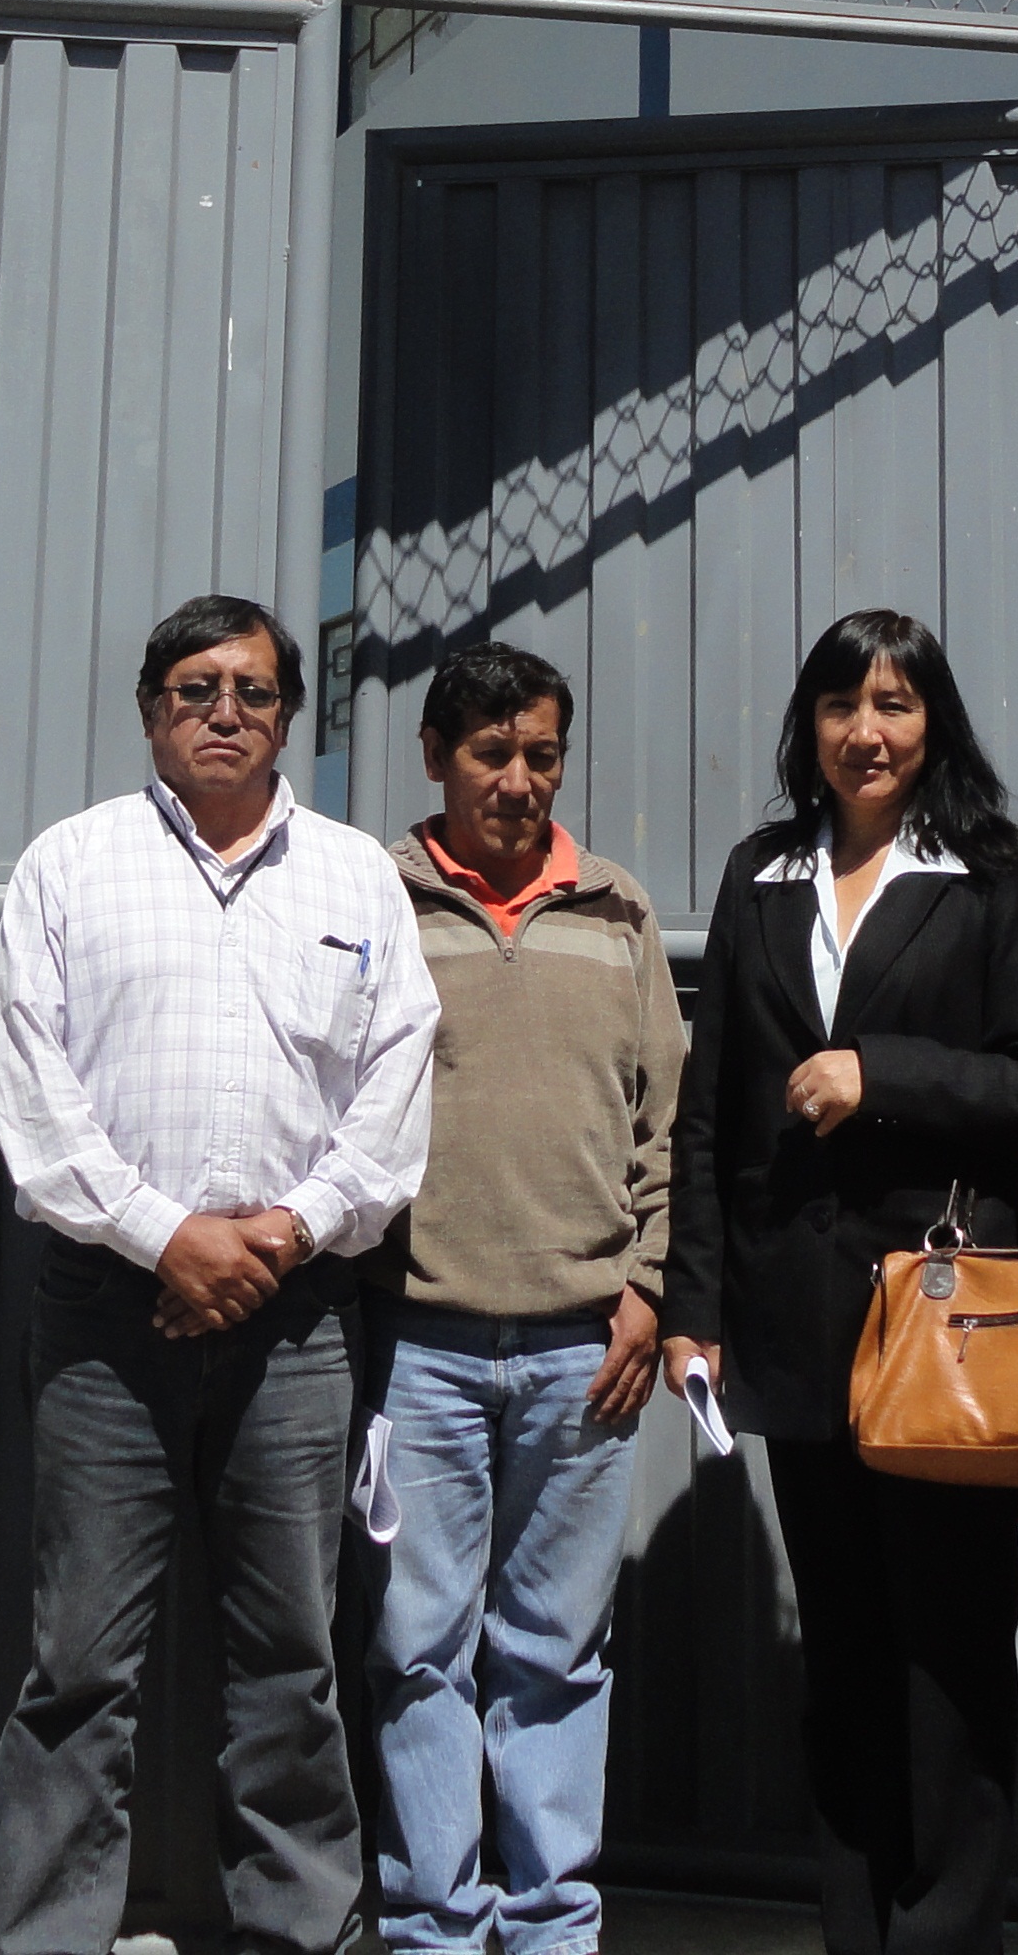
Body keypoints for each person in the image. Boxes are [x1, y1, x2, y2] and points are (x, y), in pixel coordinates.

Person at [0, 595, 441, 1955]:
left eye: (250, 688)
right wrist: (164, 1239)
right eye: (195, 688)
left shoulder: (357, 879)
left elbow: (394, 1094)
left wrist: (285, 1235)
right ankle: (47, 1938)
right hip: (104, 1318)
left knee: (293, 1662)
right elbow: (34, 1096)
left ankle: (297, 1935)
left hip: (297, 1322)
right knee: (77, 1667)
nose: (223, 710)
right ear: (150, 711)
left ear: (290, 714)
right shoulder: (69, 867)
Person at [658, 608, 1018, 1955]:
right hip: (793, 1326)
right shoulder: (762, 871)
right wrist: (695, 1310)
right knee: (841, 1658)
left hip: (948, 1324)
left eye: (895, 704)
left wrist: (878, 1073)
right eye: (843, 705)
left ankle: (945, 1935)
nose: (868, 731)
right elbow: (712, 1113)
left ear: (933, 720)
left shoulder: (996, 873)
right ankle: (855, 1932)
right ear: (812, 728)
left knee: (947, 1656)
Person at [364, 640, 683, 1955]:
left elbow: (667, 1129)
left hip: (584, 1350)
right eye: (489, 753)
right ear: (435, 758)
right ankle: (437, 1927)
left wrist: (650, 1288)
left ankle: (555, 1927)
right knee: (417, 1651)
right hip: (415, 1347)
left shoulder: (616, 910)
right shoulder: (371, 898)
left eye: (540, 753)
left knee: (557, 1653)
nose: (517, 779)